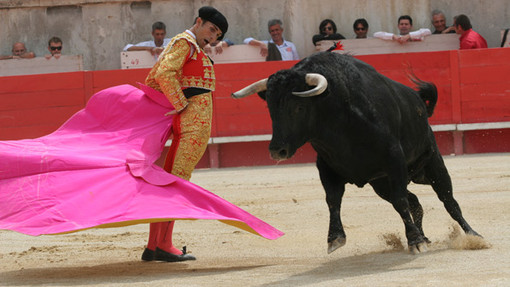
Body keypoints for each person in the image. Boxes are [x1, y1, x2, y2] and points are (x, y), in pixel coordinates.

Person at [143, 6, 228, 262]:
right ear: (198, 21)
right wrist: (180, 104)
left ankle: (153, 245)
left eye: (217, 35)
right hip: (191, 126)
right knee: (176, 183)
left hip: (190, 125)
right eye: (211, 29)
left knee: (170, 182)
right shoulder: (186, 43)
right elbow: (162, 74)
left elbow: (158, 76)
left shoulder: (191, 46)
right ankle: (164, 245)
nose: (212, 38)